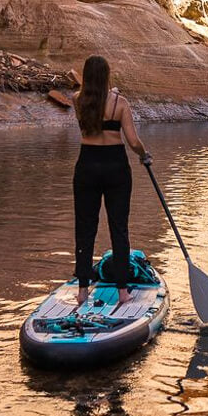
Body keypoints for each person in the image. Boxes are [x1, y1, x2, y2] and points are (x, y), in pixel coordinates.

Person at [72, 55, 151, 308]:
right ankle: (123, 291)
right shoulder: (120, 103)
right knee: (119, 228)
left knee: (85, 229)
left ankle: (83, 290)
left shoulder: (77, 100)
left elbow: (92, 113)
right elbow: (133, 141)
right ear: (107, 76)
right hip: (115, 167)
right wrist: (144, 155)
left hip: (87, 167)